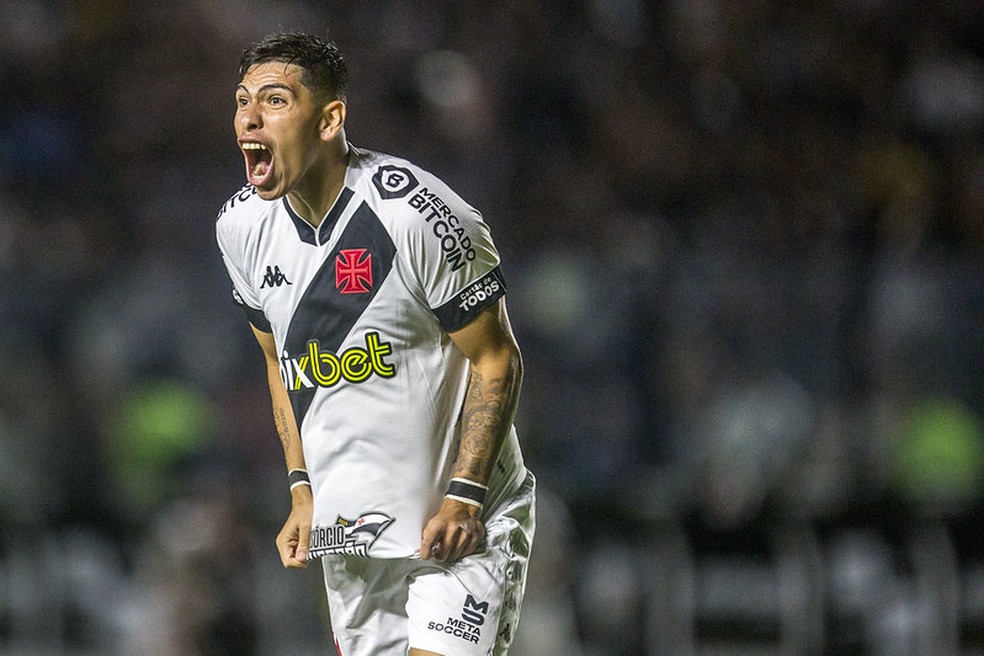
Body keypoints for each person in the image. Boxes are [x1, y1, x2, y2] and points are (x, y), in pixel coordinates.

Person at [214, 32, 535, 656]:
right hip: (353, 534)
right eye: (242, 101)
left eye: (274, 101)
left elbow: (497, 356)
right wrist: (301, 489)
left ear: (329, 119)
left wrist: (466, 495)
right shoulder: (241, 228)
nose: (249, 118)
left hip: (458, 529)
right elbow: (280, 364)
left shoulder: (417, 213)